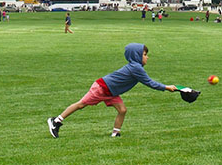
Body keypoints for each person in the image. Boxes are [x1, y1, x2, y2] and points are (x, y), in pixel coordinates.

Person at [47, 43, 177, 139]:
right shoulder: (136, 68)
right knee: (81, 104)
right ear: (136, 56)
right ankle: (56, 121)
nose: (147, 57)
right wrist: (167, 87)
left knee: (122, 110)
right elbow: (150, 83)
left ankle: (116, 133)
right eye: (144, 54)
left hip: (111, 92)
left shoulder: (136, 67)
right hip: (102, 88)